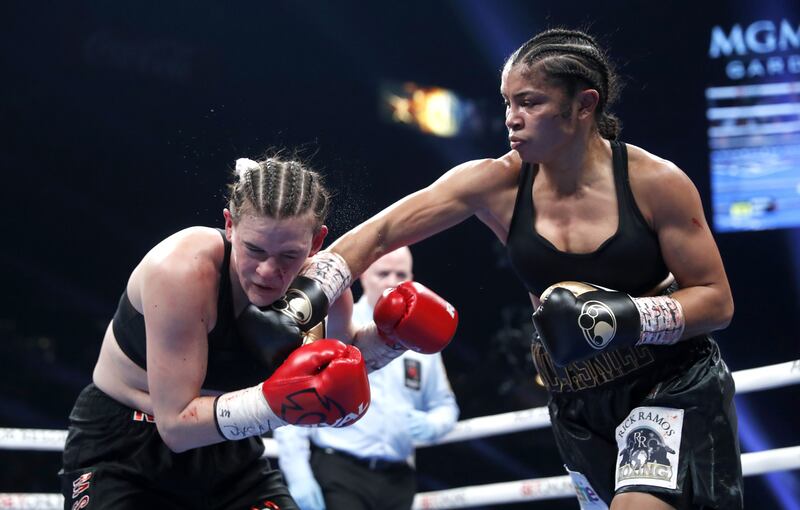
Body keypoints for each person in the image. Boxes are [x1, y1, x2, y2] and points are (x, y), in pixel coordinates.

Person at [288, 29, 743, 509]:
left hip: (665, 380)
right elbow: (379, 234)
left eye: (529, 102)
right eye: (507, 103)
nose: (512, 119)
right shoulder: (497, 184)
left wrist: (623, 316)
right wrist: (300, 300)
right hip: (577, 398)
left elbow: (716, 299)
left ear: (584, 105)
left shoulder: (655, 184)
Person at [58, 154, 458, 509]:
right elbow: (177, 426)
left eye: (288, 255)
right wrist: (279, 403)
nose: (269, 271)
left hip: (229, 453)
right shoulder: (180, 271)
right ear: (230, 225)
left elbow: (342, 357)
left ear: (316, 242)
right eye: (255, 251)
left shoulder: (321, 283)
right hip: (128, 448)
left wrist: (393, 338)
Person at [274, 247, 460, 510]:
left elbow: (445, 405)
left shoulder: (421, 338)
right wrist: (298, 474)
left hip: (398, 478)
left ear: (412, 277)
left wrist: (433, 424)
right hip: (339, 470)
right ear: (364, 277)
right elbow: (297, 398)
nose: (392, 281)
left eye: (400, 274)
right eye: (383, 273)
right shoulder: (335, 325)